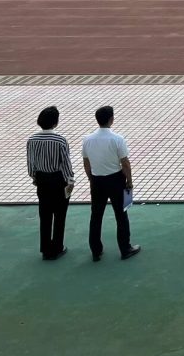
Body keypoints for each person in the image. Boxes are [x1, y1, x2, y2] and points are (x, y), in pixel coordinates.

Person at [82, 105, 141, 261]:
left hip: (97, 180)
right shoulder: (117, 139)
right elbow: (125, 163)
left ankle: (96, 250)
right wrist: (129, 181)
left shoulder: (87, 139)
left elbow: (86, 163)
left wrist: (91, 179)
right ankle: (125, 248)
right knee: (121, 216)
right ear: (111, 120)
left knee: (96, 216)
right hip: (115, 180)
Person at [27, 105, 75, 260]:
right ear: (56, 122)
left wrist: (34, 177)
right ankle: (57, 246)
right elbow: (66, 163)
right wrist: (70, 180)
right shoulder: (60, 140)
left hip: (42, 179)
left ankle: (45, 249)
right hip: (58, 179)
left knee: (45, 214)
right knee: (60, 215)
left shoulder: (32, 140)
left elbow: (30, 162)